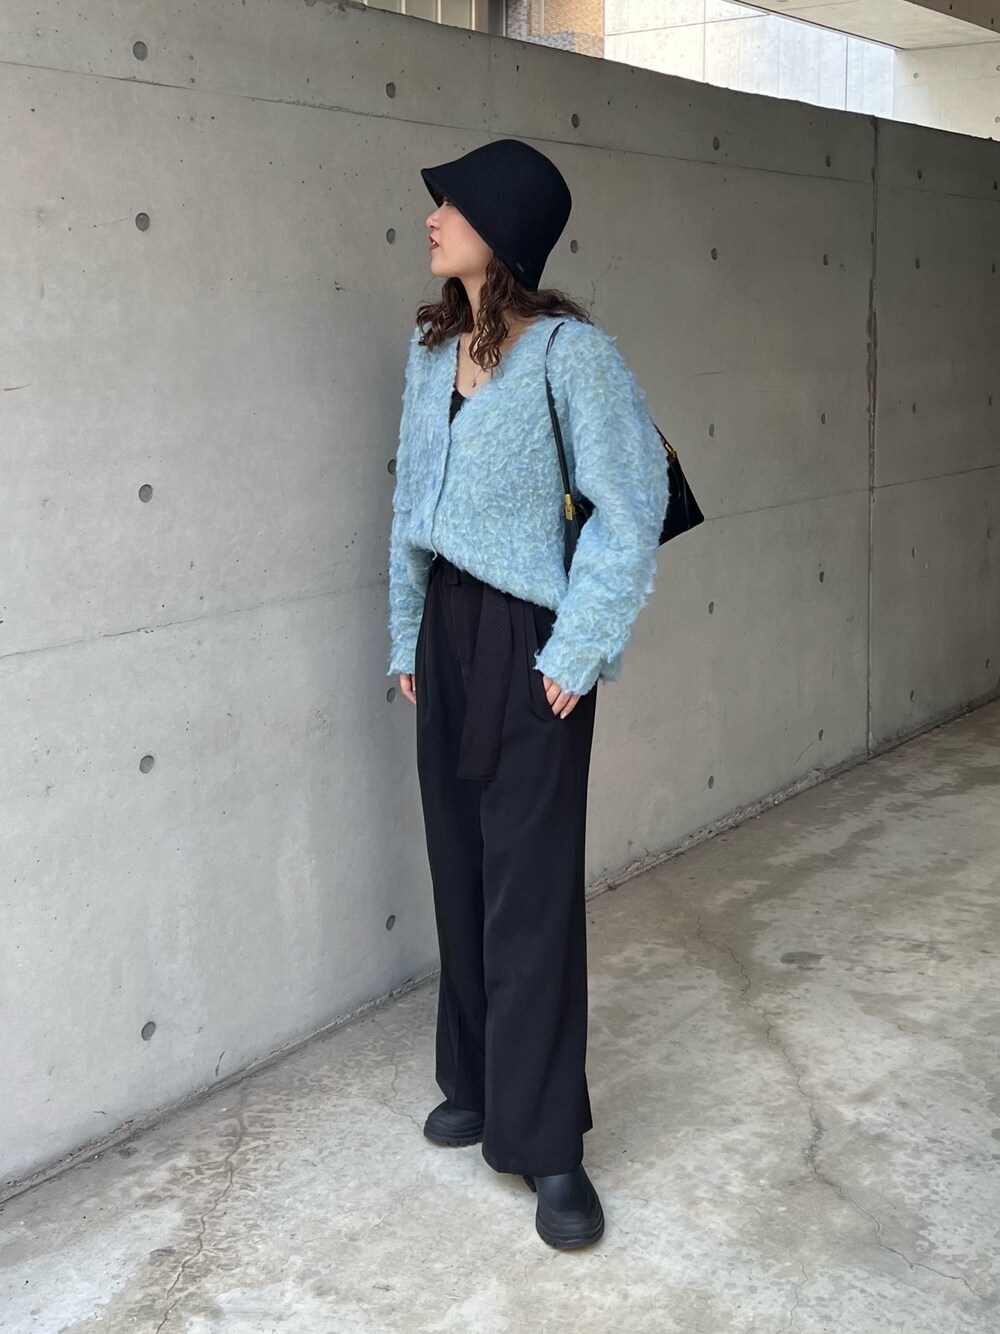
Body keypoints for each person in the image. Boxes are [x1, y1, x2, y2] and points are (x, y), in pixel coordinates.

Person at [386, 138, 670, 1250]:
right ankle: (476, 1080)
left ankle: (549, 1142)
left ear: (501, 225)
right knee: (459, 862)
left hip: (529, 636)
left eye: (450, 204)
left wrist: (576, 649)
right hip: (446, 631)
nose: (431, 218)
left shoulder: (570, 356)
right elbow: (408, 507)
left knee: (531, 886)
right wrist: (405, 636)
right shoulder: (430, 353)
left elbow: (629, 505)